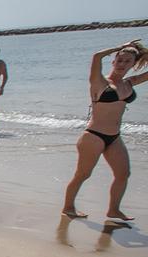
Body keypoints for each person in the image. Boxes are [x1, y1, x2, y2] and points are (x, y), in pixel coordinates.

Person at [62, 39, 148, 222]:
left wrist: (138, 53)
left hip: (114, 137)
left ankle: (113, 210)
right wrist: (120, 47)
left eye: (127, 62)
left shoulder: (129, 83)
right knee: (83, 174)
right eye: (120, 60)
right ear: (113, 61)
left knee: (123, 174)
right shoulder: (100, 81)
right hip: (93, 136)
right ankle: (68, 207)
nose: (122, 64)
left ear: (133, 64)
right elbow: (96, 56)